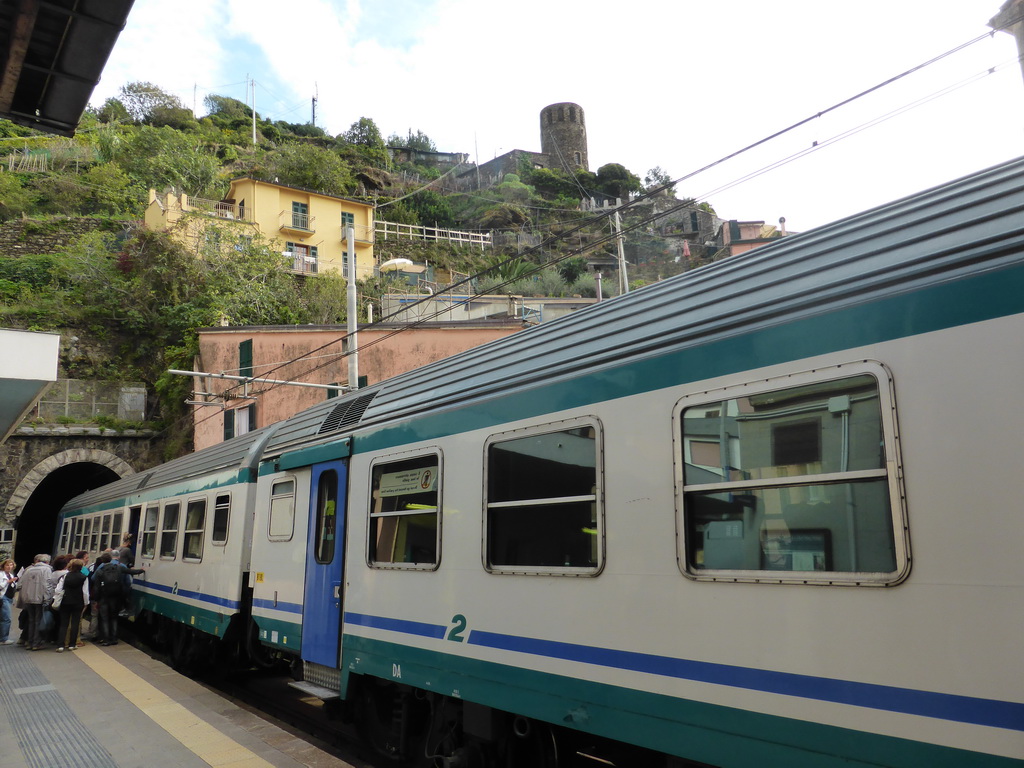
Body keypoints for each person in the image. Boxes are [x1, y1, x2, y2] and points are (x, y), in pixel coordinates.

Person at [93, 552, 144, 646]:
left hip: (104, 598)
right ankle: (114, 638)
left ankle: (106, 639)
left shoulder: (100, 570)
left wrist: (96, 600)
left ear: (102, 561)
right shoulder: (118, 567)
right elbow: (131, 572)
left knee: (105, 619)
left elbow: (96, 586)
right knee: (114, 618)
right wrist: (141, 570)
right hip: (116, 597)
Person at [19, 554, 52, 650]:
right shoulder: (47, 570)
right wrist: (47, 599)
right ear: (47, 562)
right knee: (38, 621)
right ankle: (36, 643)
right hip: (40, 599)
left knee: (31, 621)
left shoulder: (29, 570)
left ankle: (29, 642)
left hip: (28, 599)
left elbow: (20, 585)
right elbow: (47, 585)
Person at [54, 559, 89, 652]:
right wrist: (86, 603)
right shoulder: (84, 577)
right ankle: (72, 645)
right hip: (78, 603)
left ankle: (60, 645)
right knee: (75, 624)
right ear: (81, 567)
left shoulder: (65, 576)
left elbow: (58, 590)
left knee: (63, 624)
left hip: (65, 602)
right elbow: (85, 592)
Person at [0, 559, 17, 645]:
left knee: (3, 617)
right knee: (6, 618)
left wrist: (13, 598)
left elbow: (12, 587)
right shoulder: (0, 574)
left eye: (11, 565)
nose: (9, 567)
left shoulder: (10, 575)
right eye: (7, 565)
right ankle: (3, 639)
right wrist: (8, 581)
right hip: (3, 597)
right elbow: (1, 586)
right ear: (3, 566)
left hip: (9, 598)